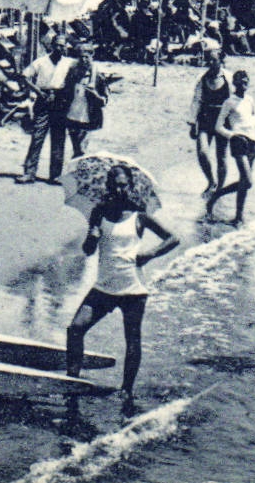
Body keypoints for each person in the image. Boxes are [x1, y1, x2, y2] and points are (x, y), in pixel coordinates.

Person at [66, 165, 178, 413]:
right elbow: (87, 251)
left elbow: (173, 238)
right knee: (75, 329)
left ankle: (126, 391)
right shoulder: (99, 213)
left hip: (133, 289)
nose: (120, 188)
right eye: (115, 184)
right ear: (109, 186)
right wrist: (92, 236)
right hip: (104, 287)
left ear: (130, 186)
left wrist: (149, 255)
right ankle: (71, 382)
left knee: (132, 340)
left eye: (124, 184)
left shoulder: (139, 216)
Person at [207, 70, 255, 226]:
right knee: (248, 182)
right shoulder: (229, 102)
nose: (244, 84)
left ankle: (238, 217)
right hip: (238, 142)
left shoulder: (250, 100)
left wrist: (250, 126)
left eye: (246, 81)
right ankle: (217, 195)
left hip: (253, 142)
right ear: (235, 84)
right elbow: (218, 126)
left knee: (244, 181)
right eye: (241, 82)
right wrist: (234, 135)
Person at [19, 32, 73, 184]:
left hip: (60, 101)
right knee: (37, 137)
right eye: (56, 45)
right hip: (43, 101)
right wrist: (38, 92)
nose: (59, 48)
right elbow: (23, 76)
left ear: (66, 47)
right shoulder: (41, 61)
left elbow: (83, 69)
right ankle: (29, 172)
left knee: (58, 139)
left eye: (62, 45)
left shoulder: (69, 63)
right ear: (51, 45)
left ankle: (55, 175)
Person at [188, 43, 231, 195]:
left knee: (222, 157)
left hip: (223, 120)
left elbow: (235, 102)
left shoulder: (229, 78)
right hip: (206, 117)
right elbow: (197, 100)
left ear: (221, 61)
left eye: (214, 60)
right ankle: (211, 180)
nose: (210, 63)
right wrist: (192, 123)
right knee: (202, 152)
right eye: (209, 60)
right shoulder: (202, 78)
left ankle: (219, 188)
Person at [62, 40, 105, 162]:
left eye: (86, 57)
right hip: (72, 113)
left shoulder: (97, 76)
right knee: (76, 147)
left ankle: (79, 167)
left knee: (82, 148)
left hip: (88, 115)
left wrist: (95, 94)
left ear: (92, 56)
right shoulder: (73, 72)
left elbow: (104, 99)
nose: (84, 60)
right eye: (81, 57)